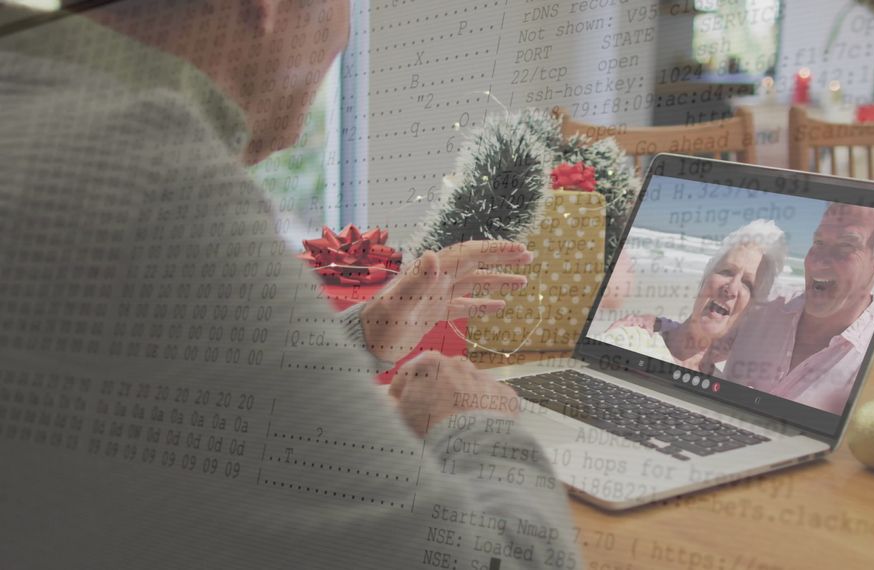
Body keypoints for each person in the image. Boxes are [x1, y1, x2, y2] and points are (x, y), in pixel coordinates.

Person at [0, 1, 577, 567]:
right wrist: (474, 420)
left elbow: (168, 382)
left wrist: (360, 336)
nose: (343, 36)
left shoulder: (38, 111)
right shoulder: (155, 186)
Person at [721, 204, 874, 414]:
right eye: (818, 242)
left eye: (846, 245)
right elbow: (697, 351)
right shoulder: (758, 307)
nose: (818, 263)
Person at [600, 220, 787, 373]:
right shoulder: (630, 341)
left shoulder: (723, 390)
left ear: (750, 310)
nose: (731, 288)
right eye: (727, 271)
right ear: (705, 278)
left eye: (747, 284)